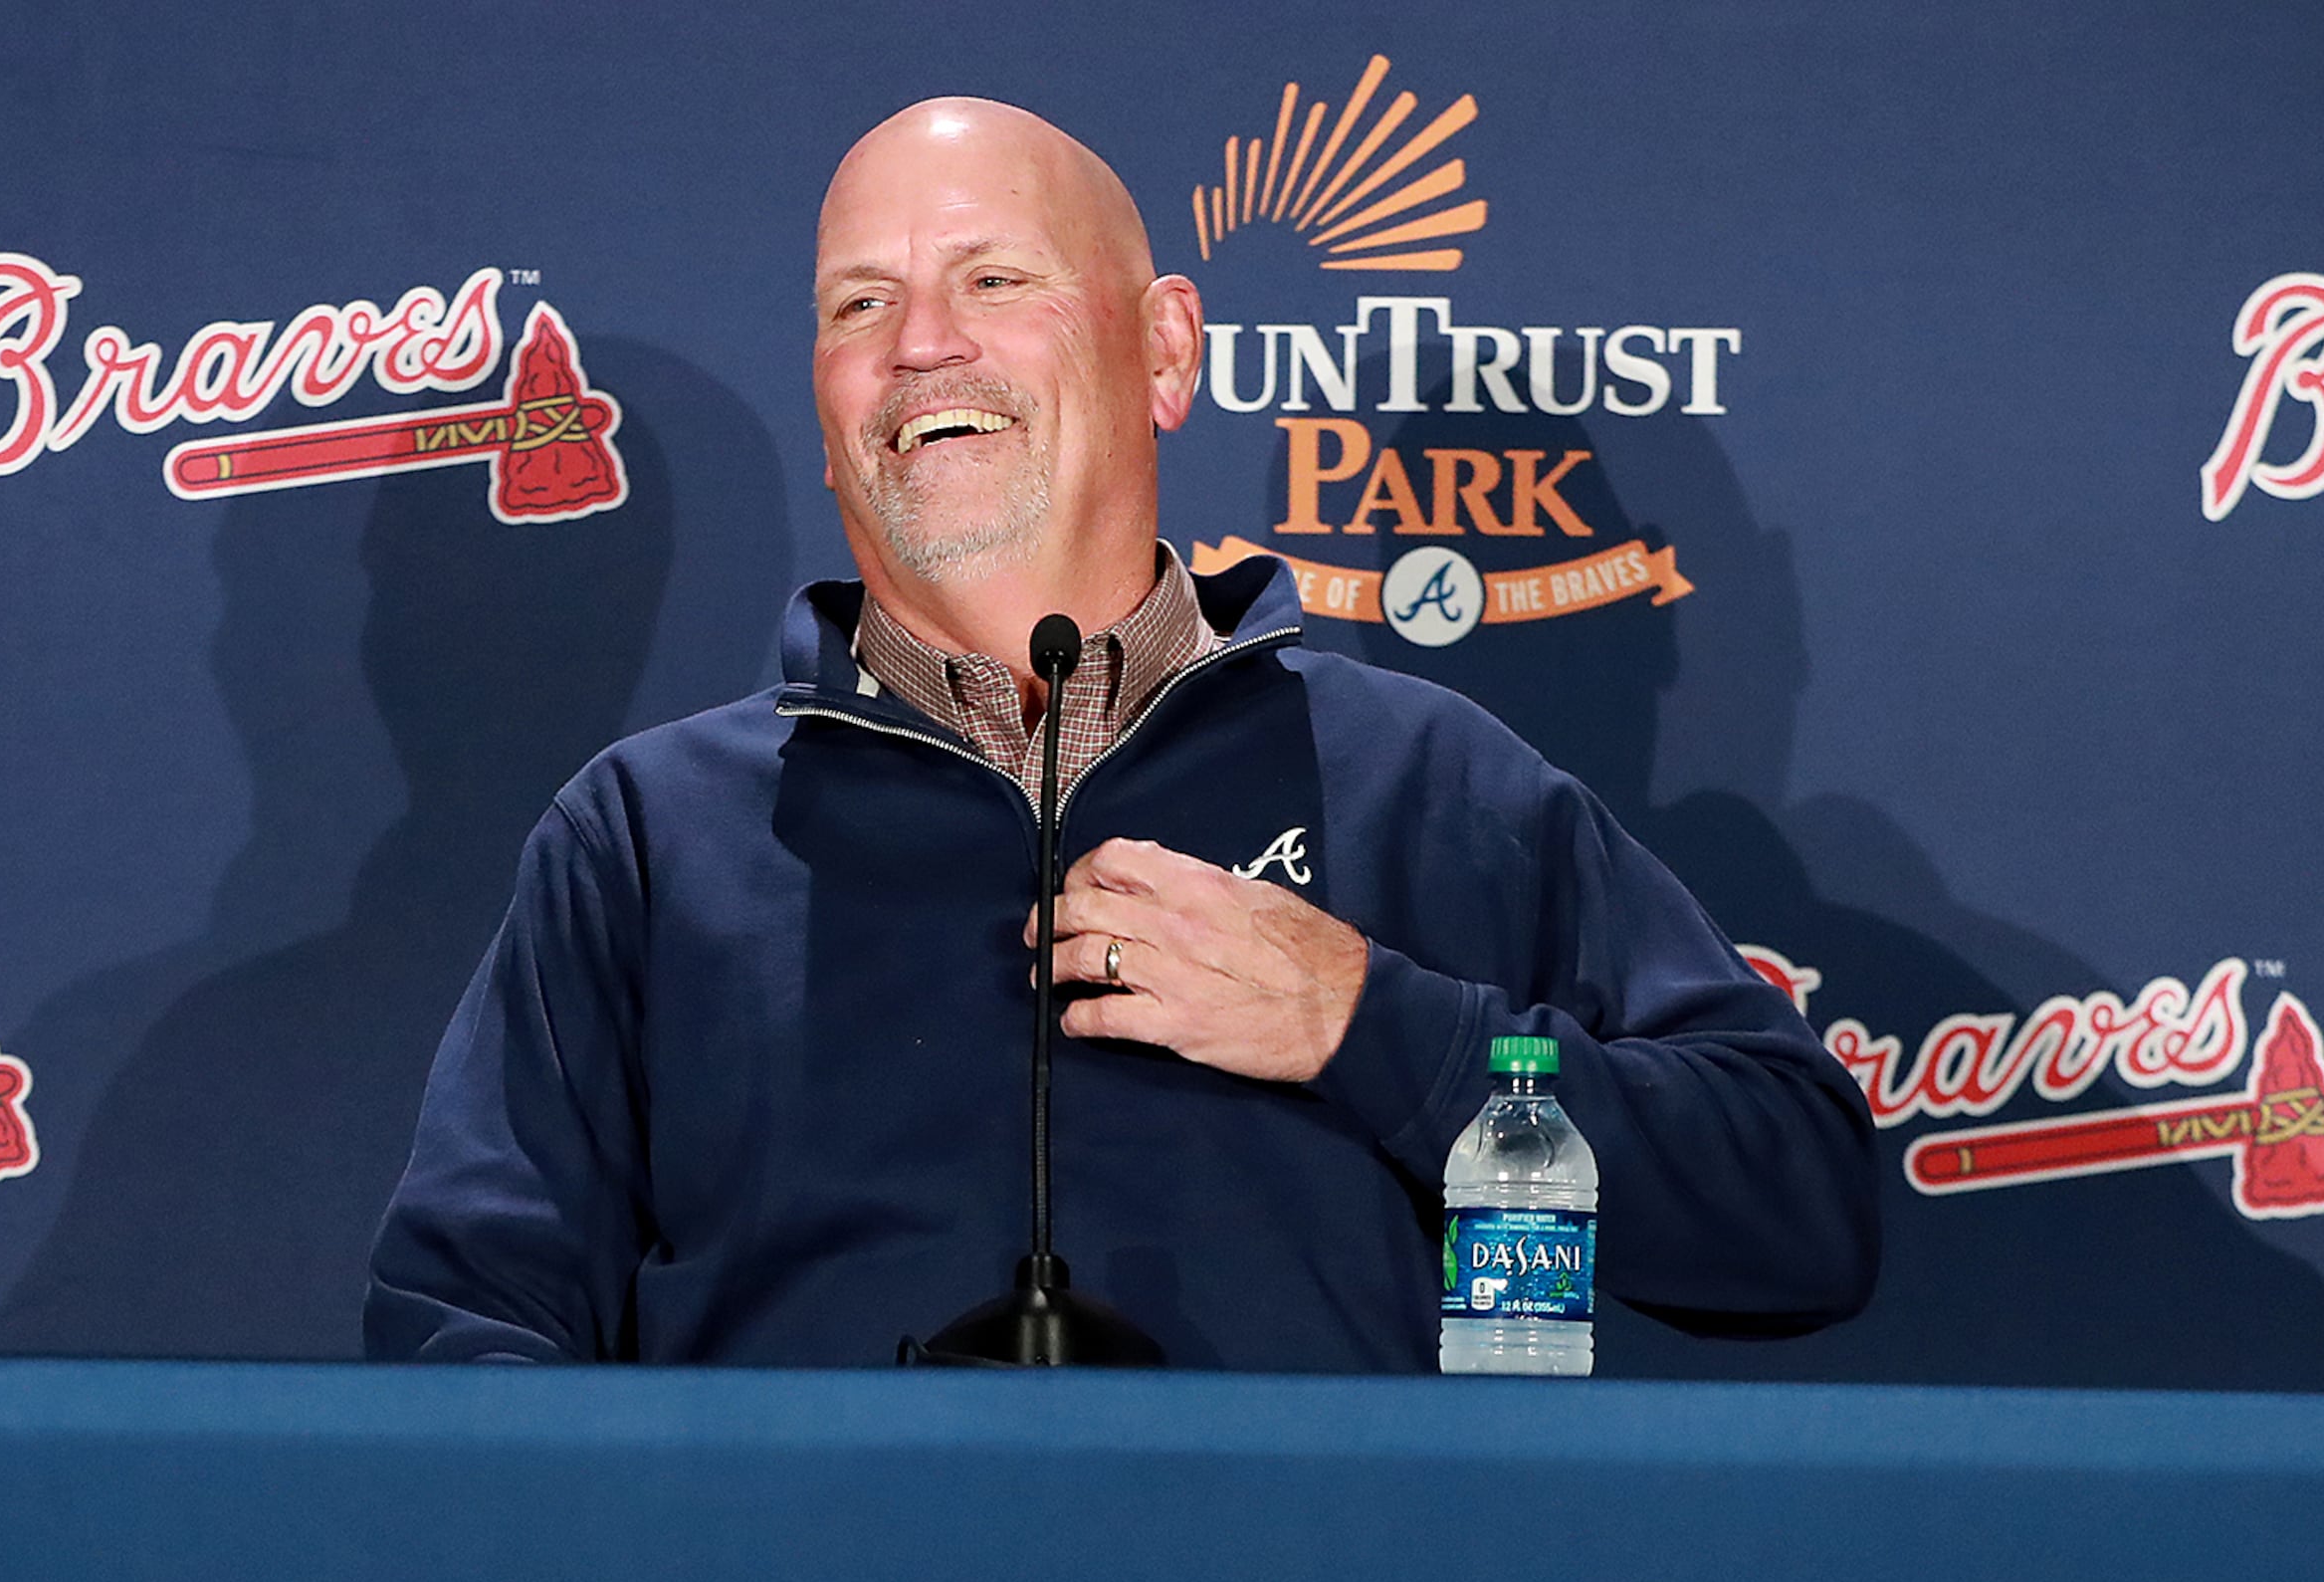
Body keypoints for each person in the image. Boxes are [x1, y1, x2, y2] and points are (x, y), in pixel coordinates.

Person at [366, 98, 1876, 1368]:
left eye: (994, 281)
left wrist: (1372, 1027)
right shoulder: (648, 839)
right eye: (860, 304)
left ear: (1164, 353)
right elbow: (466, 1331)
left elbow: (1797, 1210)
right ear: (824, 408)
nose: (921, 345)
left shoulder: (1425, 783)